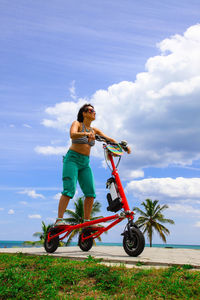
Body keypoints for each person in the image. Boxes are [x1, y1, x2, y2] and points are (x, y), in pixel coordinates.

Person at [55, 103, 130, 226]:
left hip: (85, 162)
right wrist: (86, 134)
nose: (93, 112)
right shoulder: (77, 124)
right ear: (83, 113)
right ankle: (59, 220)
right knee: (69, 190)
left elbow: (108, 139)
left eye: (94, 111)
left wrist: (123, 147)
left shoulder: (95, 130)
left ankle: (87, 221)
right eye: (90, 110)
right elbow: (72, 135)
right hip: (72, 159)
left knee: (90, 193)